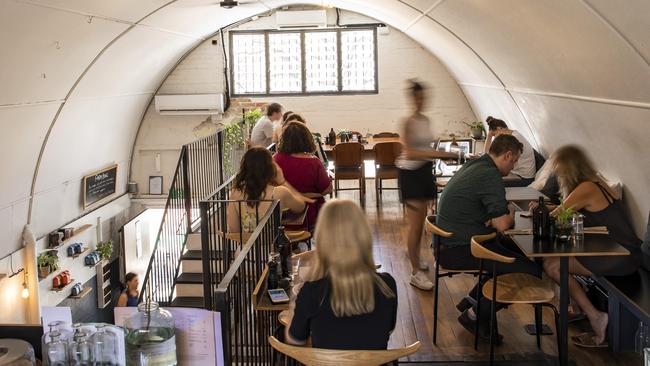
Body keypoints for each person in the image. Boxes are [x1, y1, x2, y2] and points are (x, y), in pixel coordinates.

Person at [533, 145, 642, 347]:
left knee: (552, 265)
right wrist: (548, 208)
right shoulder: (595, 182)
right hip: (623, 251)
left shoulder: (586, 189)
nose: (555, 172)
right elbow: (565, 210)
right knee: (554, 262)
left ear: (567, 168)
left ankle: (594, 316)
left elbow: (558, 216)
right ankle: (579, 308)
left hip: (620, 256)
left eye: (557, 167)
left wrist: (544, 210)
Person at [436, 134, 542, 341]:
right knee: (531, 270)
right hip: (460, 248)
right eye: (515, 161)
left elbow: (487, 214)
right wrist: (510, 212)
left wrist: (493, 217)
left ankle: (472, 300)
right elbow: (502, 224)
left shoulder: (478, 164)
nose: (514, 166)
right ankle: (474, 316)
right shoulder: (490, 175)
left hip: (450, 241)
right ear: (507, 155)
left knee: (510, 252)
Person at [286, 199, 398, 350]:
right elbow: (388, 329)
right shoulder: (387, 285)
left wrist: (295, 302)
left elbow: (295, 340)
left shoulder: (312, 292)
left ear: (322, 239)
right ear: (363, 235)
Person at [395, 80, 459, 291]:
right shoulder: (407, 122)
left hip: (424, 172)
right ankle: (415, 272)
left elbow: (425, 149)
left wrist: (442, 156)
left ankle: (417, 259)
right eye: (418, 98)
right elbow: (411, 152)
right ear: (412, 99)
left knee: (423, 222)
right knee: (415, 226)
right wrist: (441, 154)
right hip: (410, 173)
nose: (422, 101)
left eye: (424, 98)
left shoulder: (425, 120)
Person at [227, 147, 311, 233]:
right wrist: (283, 181)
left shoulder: (236, 192)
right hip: (272, 245)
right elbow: (300, 207)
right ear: (270, 168)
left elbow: (234, 230)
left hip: (247, 245)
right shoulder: (280, 192)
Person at [274, 122, 332, 229]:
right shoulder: (314, 162)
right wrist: (308, 194)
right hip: (309, 213)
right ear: (307, 138)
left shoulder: (275, 159)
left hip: (281, 214)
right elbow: (327, 190)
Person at [483, 116, 536, 187]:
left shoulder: (514, 139)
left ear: (499, 129)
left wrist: (490, 136)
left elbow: (488, 154)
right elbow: (488, 154)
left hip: (524, 178)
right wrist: (489, 135)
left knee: (489, 183)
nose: (495, 138)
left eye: (494, 135)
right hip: (516, 173)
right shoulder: (512, 136)